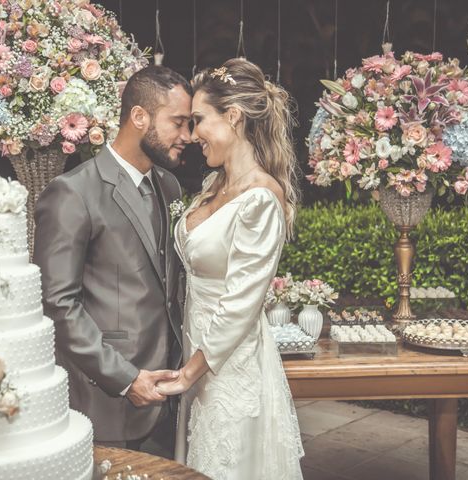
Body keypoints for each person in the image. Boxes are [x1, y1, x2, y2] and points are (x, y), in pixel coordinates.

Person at [156, 58, 305, 479]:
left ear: (234, 117)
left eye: (199, 120)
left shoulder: (260, 198)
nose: (191, 134)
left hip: (230, 367)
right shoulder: (214, 185)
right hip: (198, 361)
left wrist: (189, 373)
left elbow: (241, 303)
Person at [34, 65, 191, 456]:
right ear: (139, 117)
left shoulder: (169, 186)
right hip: (109, 398)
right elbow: (57, 305)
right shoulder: (73, 192)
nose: (188, 136)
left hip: (171, 393)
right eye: (178, 123)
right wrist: (125, 378)